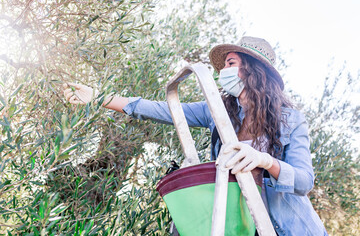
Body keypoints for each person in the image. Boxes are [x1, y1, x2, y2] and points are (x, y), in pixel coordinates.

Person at [64, 36, 328, 236]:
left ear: (253, 70)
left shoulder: (290, 120)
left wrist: (264, 161)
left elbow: (304, 181)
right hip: (237, 225)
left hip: (284, 227)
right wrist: (99, 98)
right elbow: (160, 110)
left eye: (231, 63)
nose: (223, 71)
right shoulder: (218, 111)